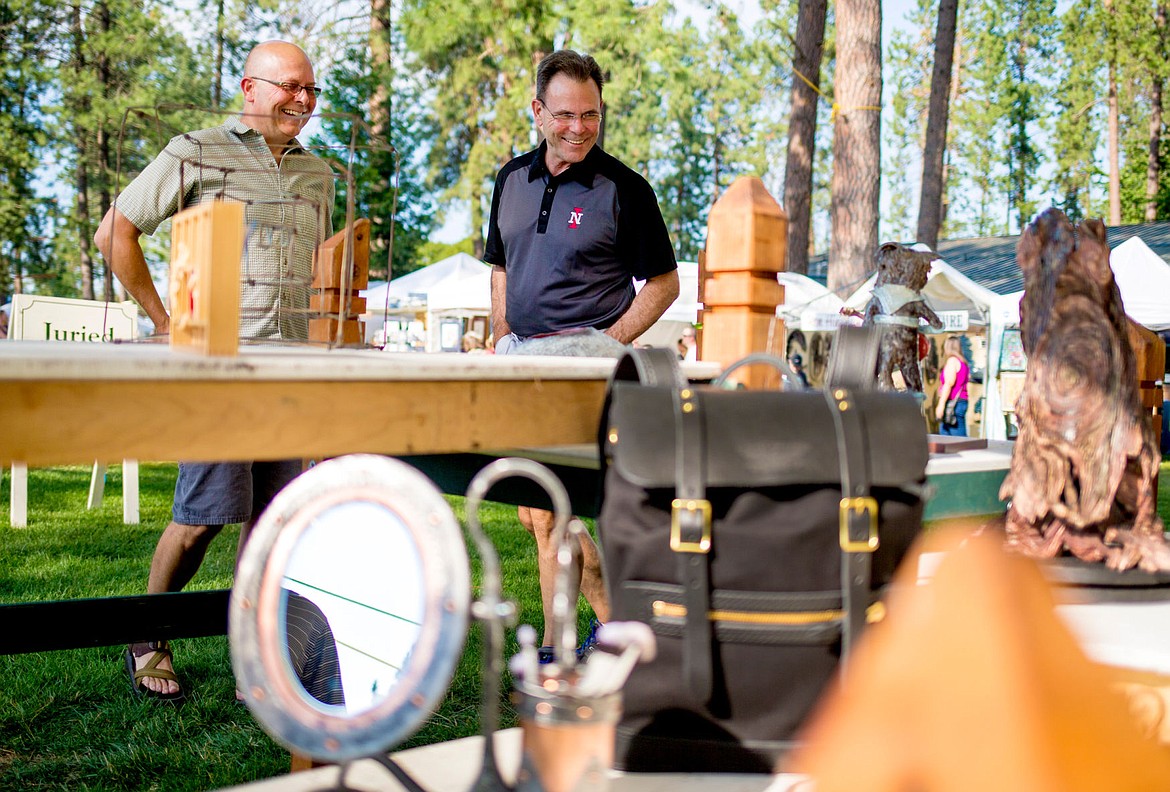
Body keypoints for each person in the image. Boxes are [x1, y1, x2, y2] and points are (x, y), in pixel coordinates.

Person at [95, 40, 335, 703]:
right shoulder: (195, 150)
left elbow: (319, 274)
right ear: (250, 88)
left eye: (313, 90)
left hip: (291, 375)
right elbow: (114, 230)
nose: (304, 101)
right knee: (202, 516)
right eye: (292, 87)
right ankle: (148, 636)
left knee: (273, 523)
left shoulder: (319, 175)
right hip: (218, 373)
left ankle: (254, 654)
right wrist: (166, 320)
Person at [484, 49, 680, 661]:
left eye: (590, 115)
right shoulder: (511, 179)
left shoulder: (625, 189)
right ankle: (600, 630)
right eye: (565, 114)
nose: (578, 127)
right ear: (538, 111)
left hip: (587, 370)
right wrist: (501, 332)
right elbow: (500, 264)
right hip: (520, 361)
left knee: (551, 510)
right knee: (537, 514)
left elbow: (665, 285)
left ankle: (570, 643)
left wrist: (605, 345)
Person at [934, 335, 970, 436]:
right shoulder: (963, 363)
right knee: (951, 433)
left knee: (954, 438)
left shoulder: (952, 361)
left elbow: (949, 383)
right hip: (961, 401)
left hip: (953, 403)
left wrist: (941, 404)